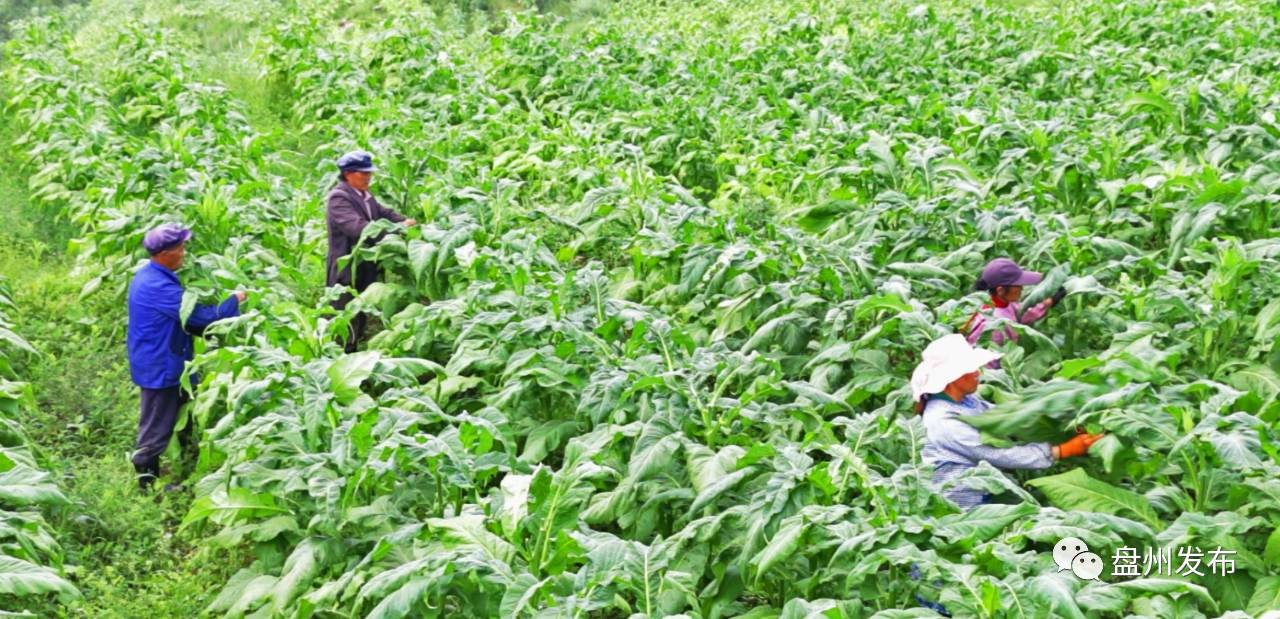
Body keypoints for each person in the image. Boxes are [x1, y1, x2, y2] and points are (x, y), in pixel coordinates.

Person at [912, 334, 1103, 509]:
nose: (978, 372)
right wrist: (1062, 451)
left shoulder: (964, 401)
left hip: (982, 493)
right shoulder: (943, 420)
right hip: (959, 507)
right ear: (952, 378)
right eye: (971, 369)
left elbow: (1005, 417)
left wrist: (1061, 415)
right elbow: (998, 454)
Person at [127, 224, 246, 490]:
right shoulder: (157, 285)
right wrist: (234, 301)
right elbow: (199, 319)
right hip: (161, 364)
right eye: (180, 248)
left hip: (168, 358)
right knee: (156, 426)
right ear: (164, 253)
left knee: (180, 417)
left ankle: (183, 470)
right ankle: (146, 487)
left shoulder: (152, 275)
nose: (184, 253)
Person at [325, 150, 416, 352]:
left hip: (366, 265)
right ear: (348, 174)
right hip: (347, 267)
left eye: (369, 173)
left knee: (360, 311)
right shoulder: (339, 198)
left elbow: (384, 213)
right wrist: (398, 230)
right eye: (363, 173)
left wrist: (404, 222)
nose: (368, 177)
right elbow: (359, 229)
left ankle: (354, 352)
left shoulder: (365, 195)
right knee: (344, 314)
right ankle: (338, 356)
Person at [963, 258, 1066, 350]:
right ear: (1000, 290)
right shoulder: (994, 325)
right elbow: (992, 364)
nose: (1022, 288)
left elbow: (1023, 314)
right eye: (1017, 285)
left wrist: (1049, 302)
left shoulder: (997, 302)